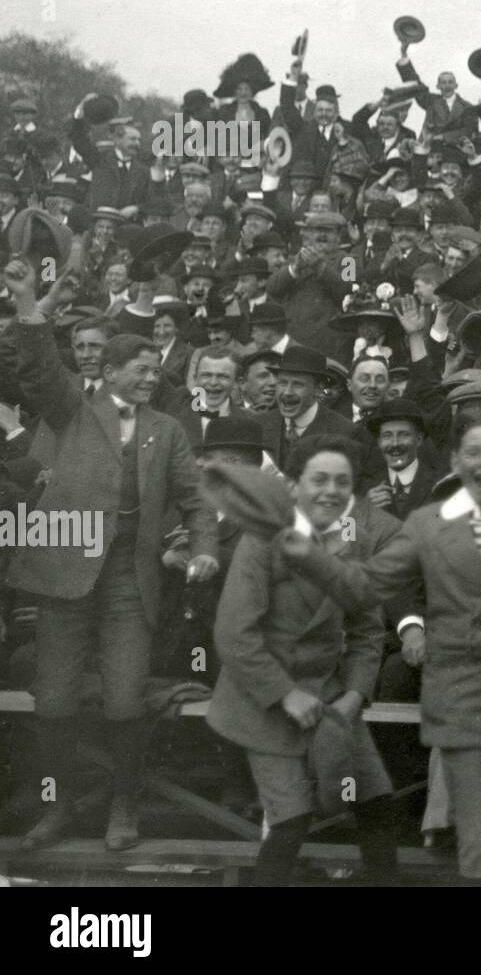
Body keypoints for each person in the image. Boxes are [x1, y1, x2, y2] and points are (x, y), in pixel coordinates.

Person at [277, 414, 481, 884]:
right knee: (480, 841)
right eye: (473, 452)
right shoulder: (427, 525)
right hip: (465, 698)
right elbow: (368, 585)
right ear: (455, 461)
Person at [4, 255, 217, 852]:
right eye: (142, 369)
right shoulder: (72, 408)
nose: (152, 378)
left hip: (129, 574)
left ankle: (124, 804)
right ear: (114, 370)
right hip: (66, 572)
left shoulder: (166, 430)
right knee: (55, 701)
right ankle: (59, 806)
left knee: (126, 699)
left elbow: (197, 500)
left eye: (155, 369)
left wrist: (203, 549)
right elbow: (39, 363)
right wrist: (28, 300)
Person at [207, 436, 403, 884]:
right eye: (319, 480)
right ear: (293, 485)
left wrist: (355, 693)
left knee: (375, 800)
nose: (331, 492)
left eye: (342, 482)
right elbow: (234, 635)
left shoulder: (355, 543)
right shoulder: (261, 542)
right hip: (263, 701)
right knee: (291, 819)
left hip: (330, 699)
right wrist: (284, 694)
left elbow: (367, 630)